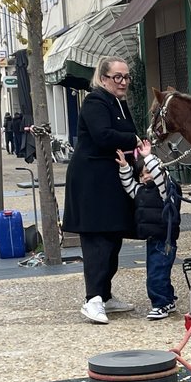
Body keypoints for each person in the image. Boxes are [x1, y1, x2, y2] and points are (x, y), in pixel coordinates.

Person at [63, 56, 140, 325]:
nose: (123, 82)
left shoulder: (118, 103)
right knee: (97, 242)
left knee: (113, 239)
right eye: (117, 76)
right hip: (91, 182)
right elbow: (102, 135)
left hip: (111, 180)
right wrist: (134, 139)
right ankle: (92, 299)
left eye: (126, 76)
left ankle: (105, 296)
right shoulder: (96, 101)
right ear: (104, 78)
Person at [115, 138, 182, 321]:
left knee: (155, 275)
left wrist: (148, 157)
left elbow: (160, 176)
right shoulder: (141, 191)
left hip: (164, 240)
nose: (146, 177)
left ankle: (160, 305)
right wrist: (124, 168)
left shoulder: (165, 190)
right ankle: (167, 301)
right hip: (153, 239)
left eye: (148, 173)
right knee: (159, 272)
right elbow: (128, 184)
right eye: (142, 175)